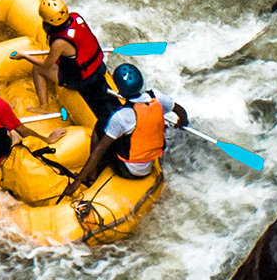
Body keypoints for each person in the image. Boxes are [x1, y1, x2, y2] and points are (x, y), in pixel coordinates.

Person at [60, 64, 188, 200]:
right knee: (120, 128)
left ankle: (92, 175)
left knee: (101, 125)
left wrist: (77, 182)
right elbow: (180, 111)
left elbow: (99, 150)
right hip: (150, 163)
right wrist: (182, 123)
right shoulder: (157, 97)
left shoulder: (122, 117)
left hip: (129, 170)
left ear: (120, 92)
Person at [10, 0, 121, 125]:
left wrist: (24, 56)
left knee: (38, 69)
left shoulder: (59, 43)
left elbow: (46, 64)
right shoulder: (76, 17)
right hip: (98, 67)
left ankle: (43, 106)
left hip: (80, 80)